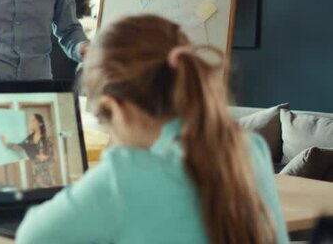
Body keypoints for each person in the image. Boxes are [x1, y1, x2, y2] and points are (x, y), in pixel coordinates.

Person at [16, 14, 289, 243]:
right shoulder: (249, 148)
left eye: (104, 119)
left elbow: (32, 236)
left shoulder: (124, 177)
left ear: (117, 108)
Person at [1, 113, 55, 189]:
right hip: (36, 173)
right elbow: (18, 147)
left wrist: (45, 158)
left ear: (39, 123)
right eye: (31, 121)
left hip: (47, 174)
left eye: (33, 120)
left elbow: (52, 157)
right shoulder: (29, 139)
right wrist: (6, 143)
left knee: (49, 192)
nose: (31, 123)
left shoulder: (46, 138)